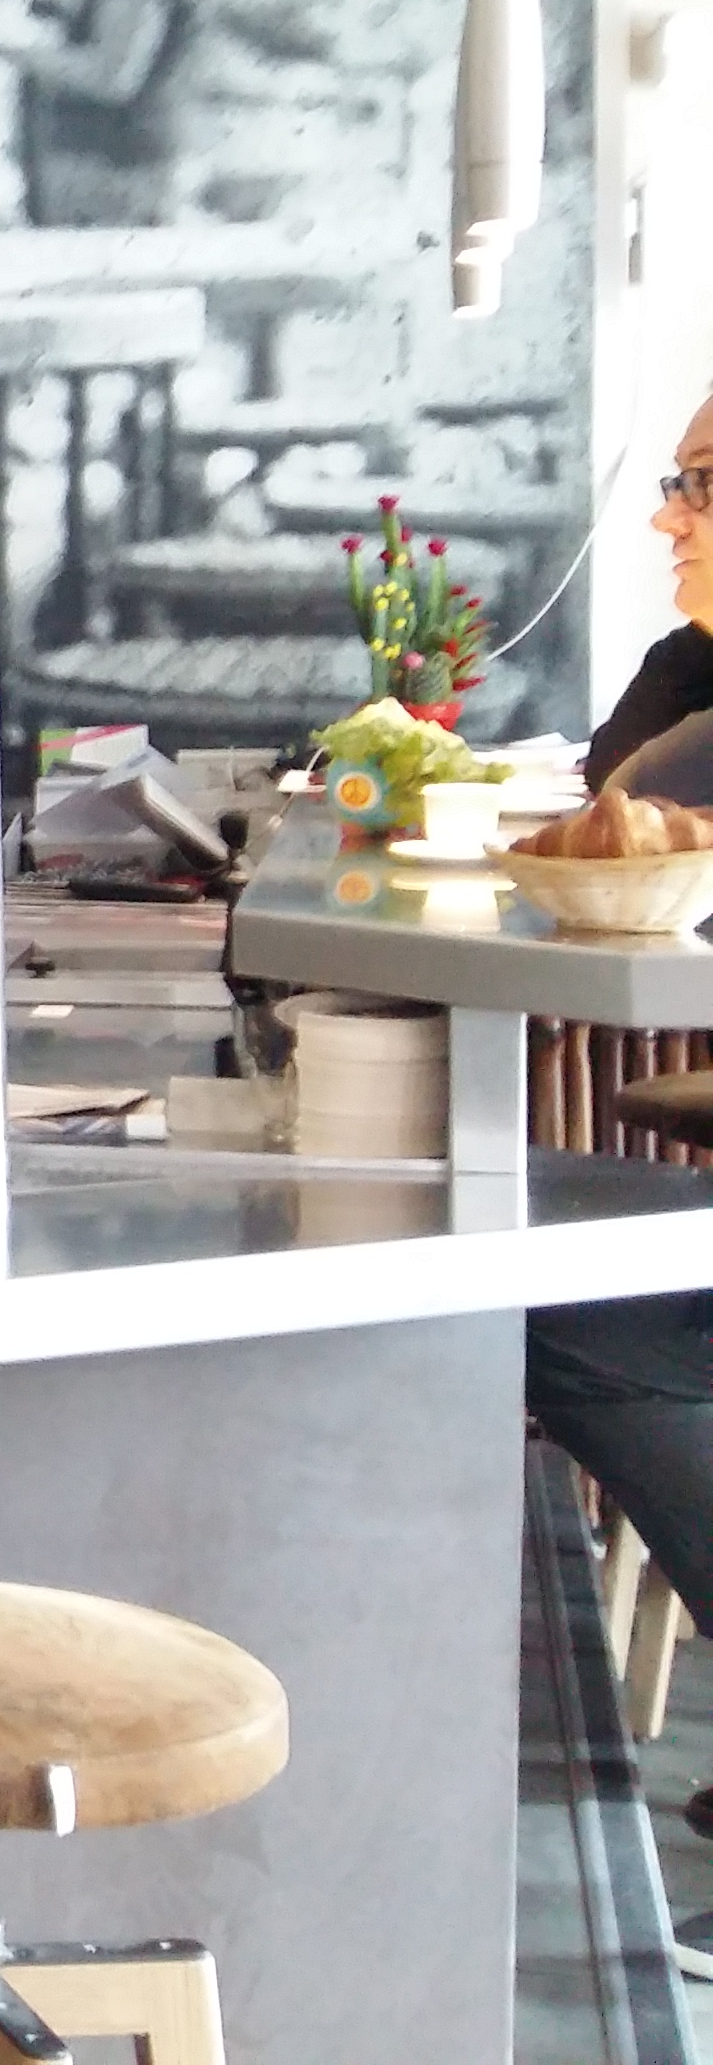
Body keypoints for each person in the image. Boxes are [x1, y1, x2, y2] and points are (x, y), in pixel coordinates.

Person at [531, 387, 713, 1832]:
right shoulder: (694, 675)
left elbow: (635, 805)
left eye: (699, 486)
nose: (664, 517)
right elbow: (616, 793)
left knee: (550, 1293)